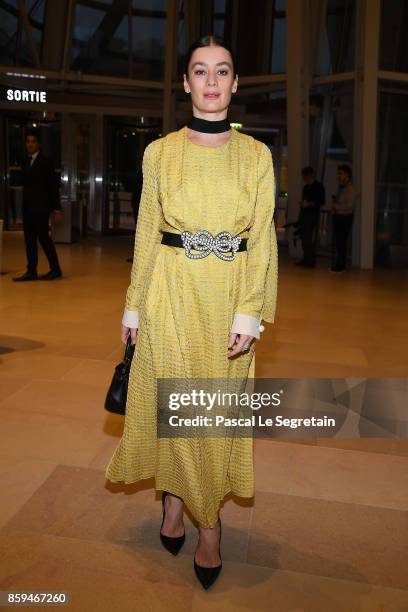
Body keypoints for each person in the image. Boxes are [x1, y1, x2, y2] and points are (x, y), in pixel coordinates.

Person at [105, 34, 278, 590]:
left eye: (221, 71)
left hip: (227, 296)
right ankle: (178, 505)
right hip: (170, 296)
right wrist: (134, 305)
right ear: (185, 83)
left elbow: (263, 240)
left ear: (234, 83)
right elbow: (146, 236)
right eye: (199, 71)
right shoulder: (160, 152)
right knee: (176, 406)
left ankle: (208, 522)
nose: (210, 81)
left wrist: (249, 313)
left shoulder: (256, 155)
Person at [13, 130, 63, 281]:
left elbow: (52, 186)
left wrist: (56, 208)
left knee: (43, 238)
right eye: (28, 141)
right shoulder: (24, 161)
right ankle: (31, 271)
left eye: (33, 141)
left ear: (39, 144)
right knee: (28, 240)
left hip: (41, 207)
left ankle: (55, 270)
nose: (30, 144)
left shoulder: (46, 161)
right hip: (28, 207)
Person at [295, 166, 325, 268]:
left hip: (312, 215)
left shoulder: (319, 187)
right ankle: (306, 259)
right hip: (304, 215)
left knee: (308, 239)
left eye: (305, 175)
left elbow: (321, 202)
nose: (304, 177)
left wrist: (309, 204)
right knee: (304, 238)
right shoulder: (306, 187)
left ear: (310, 175)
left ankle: (310, 261)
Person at [330, 164, 357, 272]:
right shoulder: (342, 187)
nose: (339, 176)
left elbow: (349, 206)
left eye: (341, 173)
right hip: (340, 217)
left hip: (345, 219)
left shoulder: (350, 189)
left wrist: (336, 207)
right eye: (338, 173)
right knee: (339, 242)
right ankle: (339, 265)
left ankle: (340, 266)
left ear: (347, 175)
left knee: (341, 243)